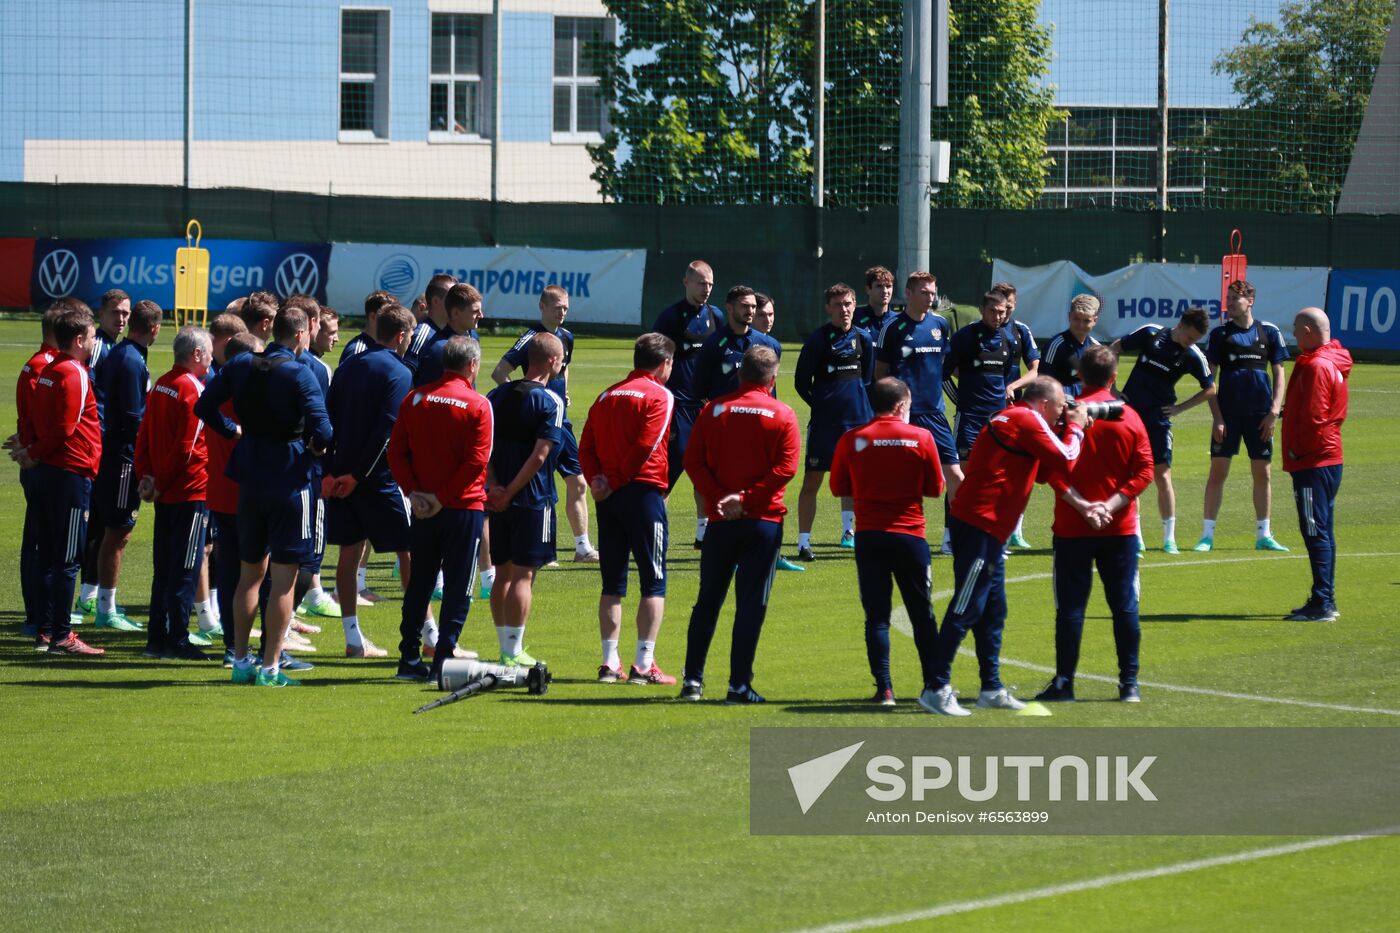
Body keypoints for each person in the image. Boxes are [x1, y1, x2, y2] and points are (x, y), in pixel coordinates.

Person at [923, 377, 1088, 716]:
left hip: (989, 529)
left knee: (993, 611)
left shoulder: (1017, 418)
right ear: (1043, 403)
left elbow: (1042, 472)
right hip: (980, 525)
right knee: (966, 607)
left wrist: (1061, 429)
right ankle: (935, 687)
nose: (1063, 413)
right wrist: (1076, 428)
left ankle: (991, 688)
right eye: (1060, 407)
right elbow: (1067, 458)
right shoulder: (1027, 419)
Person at [196, 306, 332, 687]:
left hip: (249, 480)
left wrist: (234, 431)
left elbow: (204, 406)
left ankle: (240, 660)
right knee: (284, 581)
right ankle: (271, 667)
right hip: (290, 482)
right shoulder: (299, 372)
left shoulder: (240, 365)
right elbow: (324, 429)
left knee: (247, 577)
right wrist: (314, 450)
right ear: (302, 334)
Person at [1034, 346, 1154, 704]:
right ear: (1114, 376)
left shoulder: (1065, 418)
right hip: (1120, 529)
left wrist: (1085, 507)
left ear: (1080, 376)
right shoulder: (1129, 417)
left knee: (1070, 608)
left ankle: (1064, 684)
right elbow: (1145, 470)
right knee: (1125, 606)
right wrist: (1112, 505)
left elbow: (1049, 472)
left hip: (1072, 528)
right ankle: (1128, 684)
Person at [680, 346, 800, 704]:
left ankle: (692, 683)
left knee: (707, 602)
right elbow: (786, 468)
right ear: (773, 377)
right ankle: (738, 686)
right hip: (762, 523)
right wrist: (745, 500)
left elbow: (692, 461)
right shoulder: (782, 413)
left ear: (738, 373)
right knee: (751, 605)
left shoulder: (713, 409)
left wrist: (720, 497)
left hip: (719, 522)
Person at [828, 377, 945, 706]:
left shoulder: (854, 439)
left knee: (876, 616)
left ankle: (885, 690)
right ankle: (933, 686)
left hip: (869, 537)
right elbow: (936, 489)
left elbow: (838, 488)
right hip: (910, 536)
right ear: (902, 405)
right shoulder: (921, 437)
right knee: (922, 615)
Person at [388, 335, 493, 682]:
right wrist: (442, 498)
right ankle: (444, 659)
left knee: (419, 582)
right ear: (473, 366)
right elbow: (476, 462)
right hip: (461, 507)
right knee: (458, 584)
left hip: (422, 507)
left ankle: (408, 657)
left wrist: (415, 493)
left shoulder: (415, 398)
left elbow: (396, 453)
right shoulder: (478, 404)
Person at [579, 333, 678, 685]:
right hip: (642, 494)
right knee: (653, 581)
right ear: (664, 363)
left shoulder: (606, 395)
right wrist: (616, 479)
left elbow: (585, 445)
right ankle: (643, 664)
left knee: (612, 583)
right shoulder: (660, 396)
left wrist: (596, 481)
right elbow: (646, 446)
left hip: (608, 498)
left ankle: (609, 663)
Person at [323, 302, 416, 659]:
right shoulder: (399, 371)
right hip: (375, 480)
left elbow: (327, 420)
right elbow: (386, 434)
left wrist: (334, 470)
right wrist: (359, 476)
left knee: (349, 552)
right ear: (402, 335)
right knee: (409, 553)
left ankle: (353, 639)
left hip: (342, 475)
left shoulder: (348, 366)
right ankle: (425, 633)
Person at [11, 304, 105, 656]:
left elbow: (35, 417)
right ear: (79, 340)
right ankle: (62, 636)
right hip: (69, 473)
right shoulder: (74, 373)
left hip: (50, 471)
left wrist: (32, 448)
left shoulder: (49, 369)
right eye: (93, 336)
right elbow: (66, 428)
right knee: (67, 560)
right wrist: (33, 452)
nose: (95, 342)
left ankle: (46, 632)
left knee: (49, 555)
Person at [491, 285, 599, 563]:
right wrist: (522, 401)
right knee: (540, 485)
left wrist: (564, 393)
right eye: (556, 307)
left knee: (578, 482)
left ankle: (582, 547)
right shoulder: (530, 338)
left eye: (565, 307)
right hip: (537, 423)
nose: (562, 312)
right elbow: (500, 372)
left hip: (561, 422)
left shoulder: (567, 337)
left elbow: (564, 368)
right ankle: (541, 549)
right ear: (542, 307)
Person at [485, 331, 567, 666]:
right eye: (561, 358)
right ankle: (514, 650)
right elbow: (540, 455)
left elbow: (484, 447)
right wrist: (513, 490)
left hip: (497, 497)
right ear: (551, 361)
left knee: (501, 574)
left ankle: (505, 647)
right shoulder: (551, 401)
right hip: (533, 500)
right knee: (523, 575)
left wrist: (495, 489)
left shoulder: (495, 394)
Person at [134, 327, 216, 661]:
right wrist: (161, 482)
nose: (211, 359)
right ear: (196, 354)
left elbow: (144, 434)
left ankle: (156, 639)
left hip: (166, 490)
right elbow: (185, 449)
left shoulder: (162, 384)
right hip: (189, 491)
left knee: (164, 568)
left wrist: (146, 477)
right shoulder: (193, 390)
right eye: (208, 353)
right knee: (185, 567)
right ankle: (177, 641)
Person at [1195, 279, 1290, 552]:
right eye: (1228, 298)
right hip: (1228, 416)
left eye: (1234, 299)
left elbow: (1280, 373)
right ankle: (1207, 536)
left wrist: (1274, 410)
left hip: (1261, 416)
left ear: (1250, 301)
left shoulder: (1269, 332)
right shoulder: (1219, 335)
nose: (1229, 303)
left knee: (1263, 472)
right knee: (1218, 472)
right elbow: (1209, 381)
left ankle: (1264, 535)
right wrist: (1217, 418)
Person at [1112, 307, 1215, 553]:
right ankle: (1135, 535)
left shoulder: (1192, 355)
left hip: (1158, 419)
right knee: (1130, 474)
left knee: (1162, 476)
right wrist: (1112, 388)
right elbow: (1115, 348)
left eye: (1195, 340)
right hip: (1130, 415)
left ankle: (1169, 538)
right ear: (1180, 325)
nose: (1191, 343)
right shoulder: (1150, 333)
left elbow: (1211, 388)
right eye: (1189, 337)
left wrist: (1179, 409)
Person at [87, 298, 162, 631]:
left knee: (112, 531)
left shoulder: (127, 354)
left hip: (117, 453)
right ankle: (106, 608)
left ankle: (100, 602)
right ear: (156, 329)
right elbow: (133, 418)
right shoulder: (130, 360)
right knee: (118, 533)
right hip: (122, 458)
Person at [875, 272, 960, 556]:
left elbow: (945, 365)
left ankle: (953, 537)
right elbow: (881, 375)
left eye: (933, 292)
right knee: (895, 479)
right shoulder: (892, 327)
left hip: (935, 413)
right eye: (924, 292)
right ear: (909, 294)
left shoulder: (940, 324)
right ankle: (888, 534)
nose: (930, 298)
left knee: (956, 477)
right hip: (902, 416)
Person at [794, 283, 875, 559]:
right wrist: (822, 407)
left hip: (858, 424)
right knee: (812, 480)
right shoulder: (817, 340)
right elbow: (801, 382)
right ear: (828, 308)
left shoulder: (864, 339)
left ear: (855, 305)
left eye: (849, 303)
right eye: (839, 305)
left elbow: (867, 381)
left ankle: (849, 532)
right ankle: (804, 542)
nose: (845, 309)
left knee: (856, 481)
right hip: (826, 427)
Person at [1281, 308, 1352, 622]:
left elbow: (1314, 416)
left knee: (1315, 531)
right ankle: (1325, 597)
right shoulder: (1330, 361)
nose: (1293, 335)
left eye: (1296, 329)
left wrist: (1297, 450)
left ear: (1308, 330)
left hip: (1313, 460)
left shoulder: (1316, 366)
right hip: (1326, 458)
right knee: (1322, 530)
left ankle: (1323, 601)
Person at [650, 260, 726, 547]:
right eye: (700, 283)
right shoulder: (670, 318)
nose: (705, 289)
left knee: (706, 474)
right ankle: (654, 532)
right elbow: (653, 359)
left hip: (705, 409)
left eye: (709, 284)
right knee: (668, 475)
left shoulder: (716, 316)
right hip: (677, 409)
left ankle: (703, 533)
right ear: (686, 282)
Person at [205, 330, 261, 666]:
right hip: (246, 493)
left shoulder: (217, 388)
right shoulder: (246, 390)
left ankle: (232, 645)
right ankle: (255, 647)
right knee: (255, 575)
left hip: (220, 492)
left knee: (228, 573)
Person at [76, 290, 131, 614]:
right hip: (100, 447)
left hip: (104, 446)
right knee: (99, 523)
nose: (121, 318)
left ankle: (89, 594)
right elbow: (92, 394)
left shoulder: (115, 347)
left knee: (100, 522)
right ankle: (88, 596)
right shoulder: (98, 348)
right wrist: (101, 436)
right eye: (115, 312)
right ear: (102, 313)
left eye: (125, 312)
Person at [11, 304, 64, 644]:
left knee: (41, 543)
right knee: (39, 544)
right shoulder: (41, 367)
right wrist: (29, 447)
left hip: (40, 458)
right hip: (42, 462)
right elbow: (39, 419)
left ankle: (40, 615)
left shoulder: (45, 365)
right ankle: (38, 617)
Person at [694, 285, 783, 405]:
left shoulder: (769, 345)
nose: (750, 311)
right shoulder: (713, 343)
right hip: (725, 419)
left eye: (753, 307)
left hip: (757, 419)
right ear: (729, 308)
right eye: (745, 306)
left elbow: (771, 390)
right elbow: (699, 389)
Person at [419, 283, 484, 388]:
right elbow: (428, 392)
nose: (481, 315)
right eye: (475, 311)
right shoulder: (439, 349)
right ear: (456, 313)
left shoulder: (474, 337)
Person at [1041, 295, 1103, 397]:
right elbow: (1043, 381)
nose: (1081, 325)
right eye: (1076, 319)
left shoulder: (1096, 348)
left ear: (1095, 321)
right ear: (1069, 316)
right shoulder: (1056, 345)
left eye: (1086, 321)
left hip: (1088, 403)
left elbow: (1103, 383)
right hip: (1060, 403)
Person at [403, 273, 458, 375]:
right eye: (452, 298)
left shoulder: (460, 332)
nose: (458, 303)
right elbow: (408, 376)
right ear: (436, 301)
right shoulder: (422, 336)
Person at [340, 290, 395, 363]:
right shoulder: (358, 352)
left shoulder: (388, 346)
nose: (393, 323)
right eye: (388, 318)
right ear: (373, 317)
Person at [854, 266, 897, 336]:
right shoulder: (854, 317)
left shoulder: (899, 320)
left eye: (888, 286)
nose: (885, 291)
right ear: (868, 289)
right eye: (879, 286)